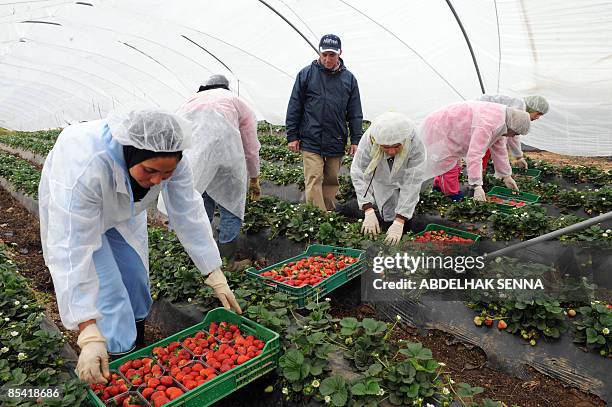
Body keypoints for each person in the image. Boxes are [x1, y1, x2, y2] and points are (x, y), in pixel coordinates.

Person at [39, 109, 241, 384]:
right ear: (131, 154)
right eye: (150, 171)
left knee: (135, 279)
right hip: (80, 215)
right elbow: (71, 248)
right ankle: (121, 362)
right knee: (109, 293)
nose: (158, 180)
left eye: (166, 172)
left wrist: (213, 272)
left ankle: (136, 340)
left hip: (123, 213)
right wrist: (87, 329)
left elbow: (188, 211)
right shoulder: (86, 165)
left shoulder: (173, 158)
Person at [169, 74, 260, 266]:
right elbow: (250, 147)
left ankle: (198, 260)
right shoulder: (235, 101)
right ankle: (227, 262)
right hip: (227, 160)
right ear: (225, 87)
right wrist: (254, 177)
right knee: (230, 208)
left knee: (200, 208)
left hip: (195, 161)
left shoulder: (189, 101)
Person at [286, 33, 363, 211]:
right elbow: (295, 106)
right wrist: (292, 135)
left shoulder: (349, 79)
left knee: (331, 180)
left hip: (336, 138)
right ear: (319, 53)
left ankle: (328, 215)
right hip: (311, 138)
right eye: (324, 54)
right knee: (313, 178)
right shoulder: (306, 75)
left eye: (332, 55)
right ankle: (318, 220)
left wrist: (356, 140)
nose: (328, 59)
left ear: (340, 54)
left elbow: (355, 113)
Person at [420, 101, 531, 202]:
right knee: (448, 163)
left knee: (453, 163)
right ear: (512, 127)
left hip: (453, 128)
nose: (513, 136)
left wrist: (506, 175)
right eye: (515, 133)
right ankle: (450, 195)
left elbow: (499, 150)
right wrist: (477, 185)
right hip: (441, 127)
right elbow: (475, 155)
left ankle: (439, 187)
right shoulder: (488, 125)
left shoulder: (502, 123)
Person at [350, 112, 426, 245]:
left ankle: (403, 236)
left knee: (403, 218)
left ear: (405, 139)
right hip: (382, 178)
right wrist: (367, 208)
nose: (391, 151)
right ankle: (386, 239)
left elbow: (412, 181)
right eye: (386, 147)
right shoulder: (369, 139)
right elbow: (359, 172)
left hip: (405, 175)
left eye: (397, 146)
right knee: (387, 210)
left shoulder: (414, 141)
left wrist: (400, 220)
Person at [478, 94, 549, 170]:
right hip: (480, 116)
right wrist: (519, 157)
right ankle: (476, 175)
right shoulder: (519, 109)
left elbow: (513, 134)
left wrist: (519, 157)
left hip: (484, 119)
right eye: (538, 113)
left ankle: (479, 173)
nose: (537, 117)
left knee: (486, 149)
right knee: (481, 150)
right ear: (532, 108)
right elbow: (513, 135)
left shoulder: (520, 108)